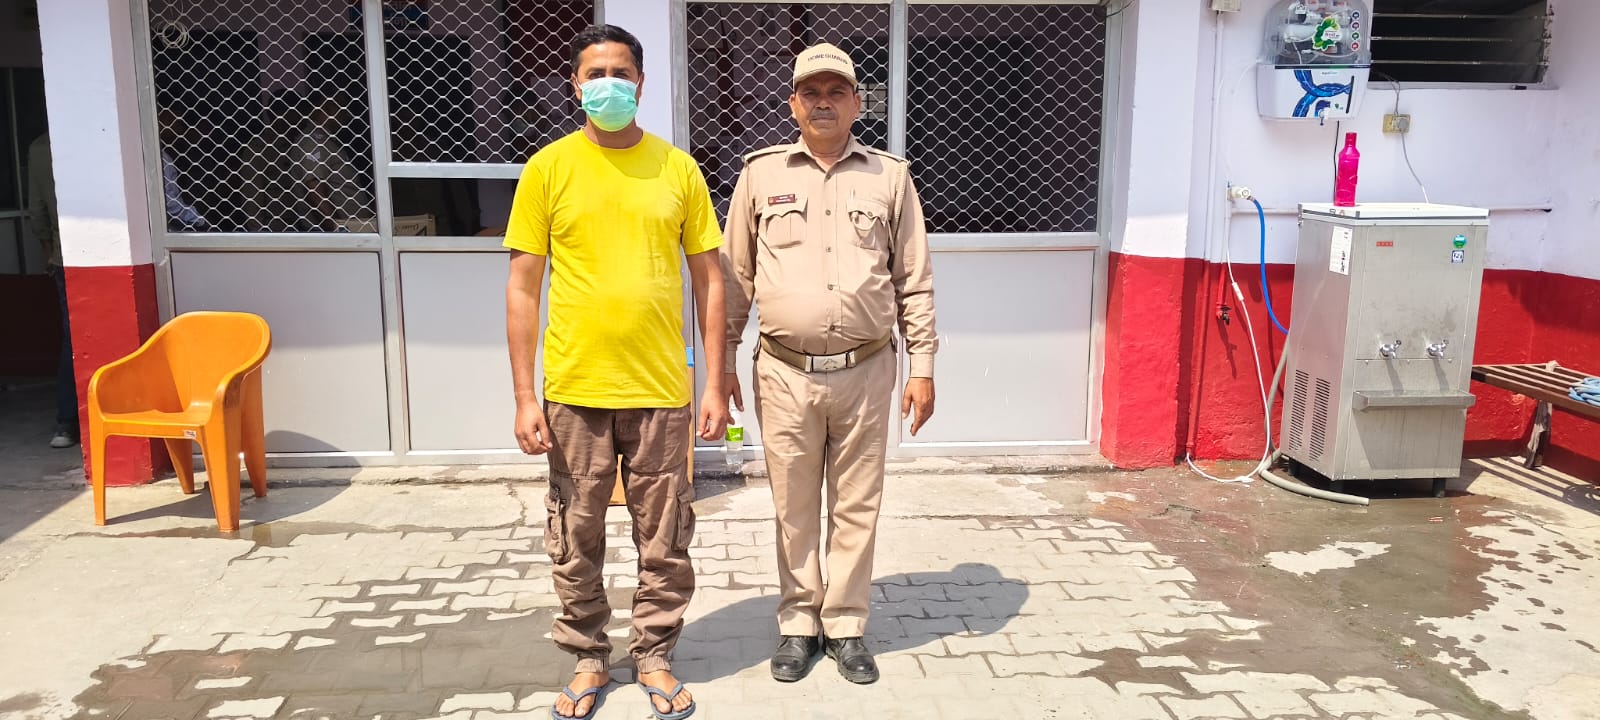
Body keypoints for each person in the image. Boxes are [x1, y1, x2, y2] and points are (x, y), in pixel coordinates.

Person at [503, 24, 728, 720]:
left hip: (660, 390)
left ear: (641, 83)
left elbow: (710, 281)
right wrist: (524, 396)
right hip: (575, 391)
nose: (609, 84)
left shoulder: (678, 170)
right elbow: (523, 288)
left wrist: (715, 383)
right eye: (595, 73)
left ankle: (654, 654)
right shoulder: (548, 169)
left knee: (665, 537)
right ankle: (589, 657)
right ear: (575, 86)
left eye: (621, 73)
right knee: (577, 536)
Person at [721, 42, 938, 685]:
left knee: (856, 504)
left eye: (836, 92)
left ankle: (844, 624)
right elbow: (734, 278)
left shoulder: (890, 177)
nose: (823, 102)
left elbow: (914, 279)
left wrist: (923, 365)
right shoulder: (760, 175)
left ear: (857, 103)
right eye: (811, 92)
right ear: (793, 104)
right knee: (792, 506)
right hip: (783, 372)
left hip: (867, 371)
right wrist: (722, 363)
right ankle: (798, 622)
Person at [26, 132, 78, 449]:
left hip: (64, 255)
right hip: (102, 251)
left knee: (72, 338)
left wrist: (49, 252)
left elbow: (37, 210)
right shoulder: (93, 138)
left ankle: (67, 423)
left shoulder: (40, 148)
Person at [157, 108, 210, 232]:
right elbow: (168, 201)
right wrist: (198, 220)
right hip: (174, 226)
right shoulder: (160, 157)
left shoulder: (168, 153)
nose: (178, 126)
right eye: (177, 121)